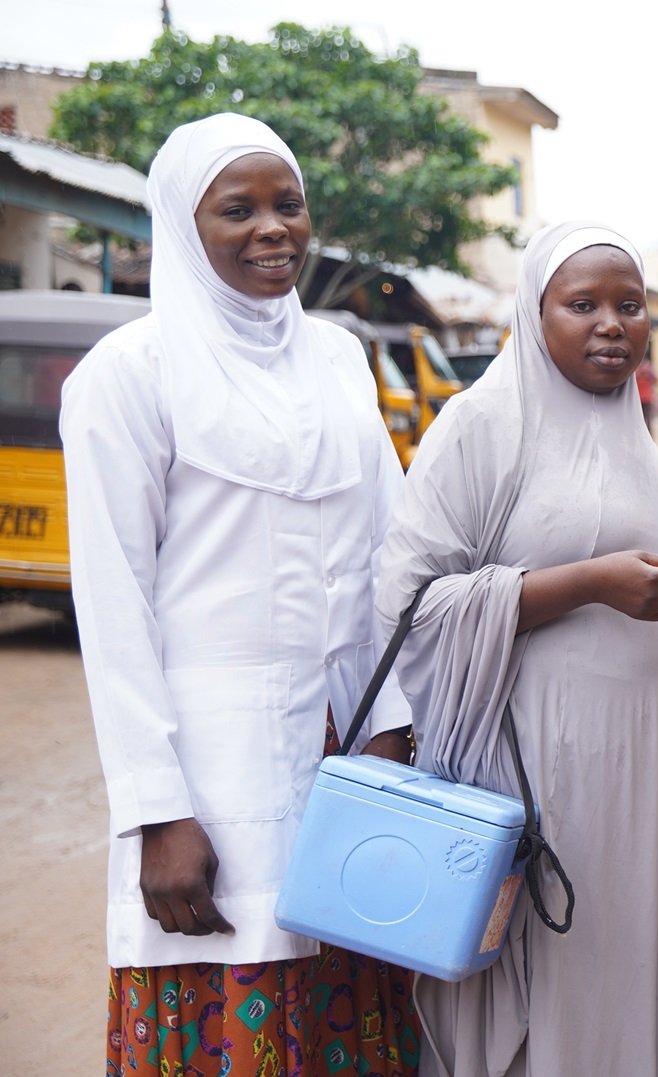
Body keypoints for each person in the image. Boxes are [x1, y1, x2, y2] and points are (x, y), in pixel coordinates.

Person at [63, 113, 419, 1075]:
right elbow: (114, 607)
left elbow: (387, 558)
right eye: (238, 209)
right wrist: (157, 811)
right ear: (183, 227)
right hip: (209, 773)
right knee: (231, 988)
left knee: (349, 991)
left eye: (287, 203)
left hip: (344, 754)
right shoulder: (127, 376)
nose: (273, 228)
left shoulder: (338, 359)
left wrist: (391, 722)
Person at [375, 222, 658, 1075]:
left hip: (650, 780)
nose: (612, 324)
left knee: (637, 978)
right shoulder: (482, 425)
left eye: (630, 305)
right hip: (544, 779)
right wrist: (587, 583)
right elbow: (409, 607)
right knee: (559, 982)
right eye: (582, 304)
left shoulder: (640, 438)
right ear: (534, 312)